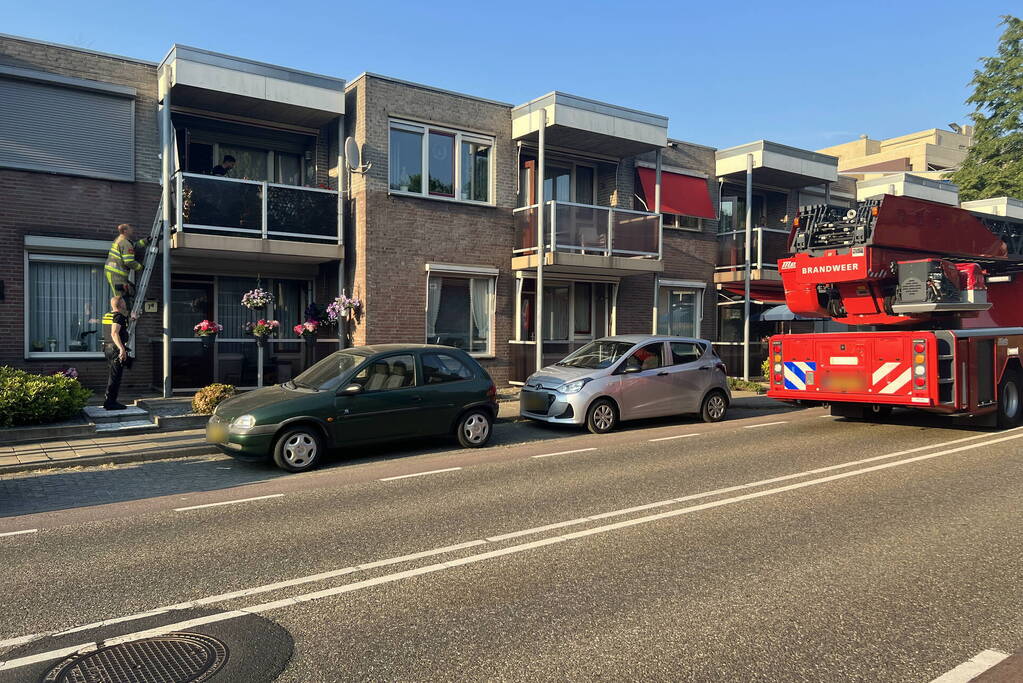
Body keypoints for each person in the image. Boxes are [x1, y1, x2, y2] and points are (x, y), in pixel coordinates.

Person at [101, 296, 133, 411]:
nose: (125, 304)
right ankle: (110, 403)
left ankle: (108, 401)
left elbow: (115, 327)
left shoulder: (107, 315)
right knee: (115, 377)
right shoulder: (118, 317)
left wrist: (131, 319)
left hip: (107, 349)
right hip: (115, 350)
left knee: (112, 375)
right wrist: (122, 349)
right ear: (121, 304)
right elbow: (114, 333)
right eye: (124, 302)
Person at [105, 223, 144, 304]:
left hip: (113, 273)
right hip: (117, 274)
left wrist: (146, 241)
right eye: (130, 228)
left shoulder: (119, 240)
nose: (132, 230)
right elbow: (129, 261)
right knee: (120, 300)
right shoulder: (126, 243)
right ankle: (120, 311)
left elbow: (134, 245)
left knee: (131, 289)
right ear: (125, 231)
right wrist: (140, 267)